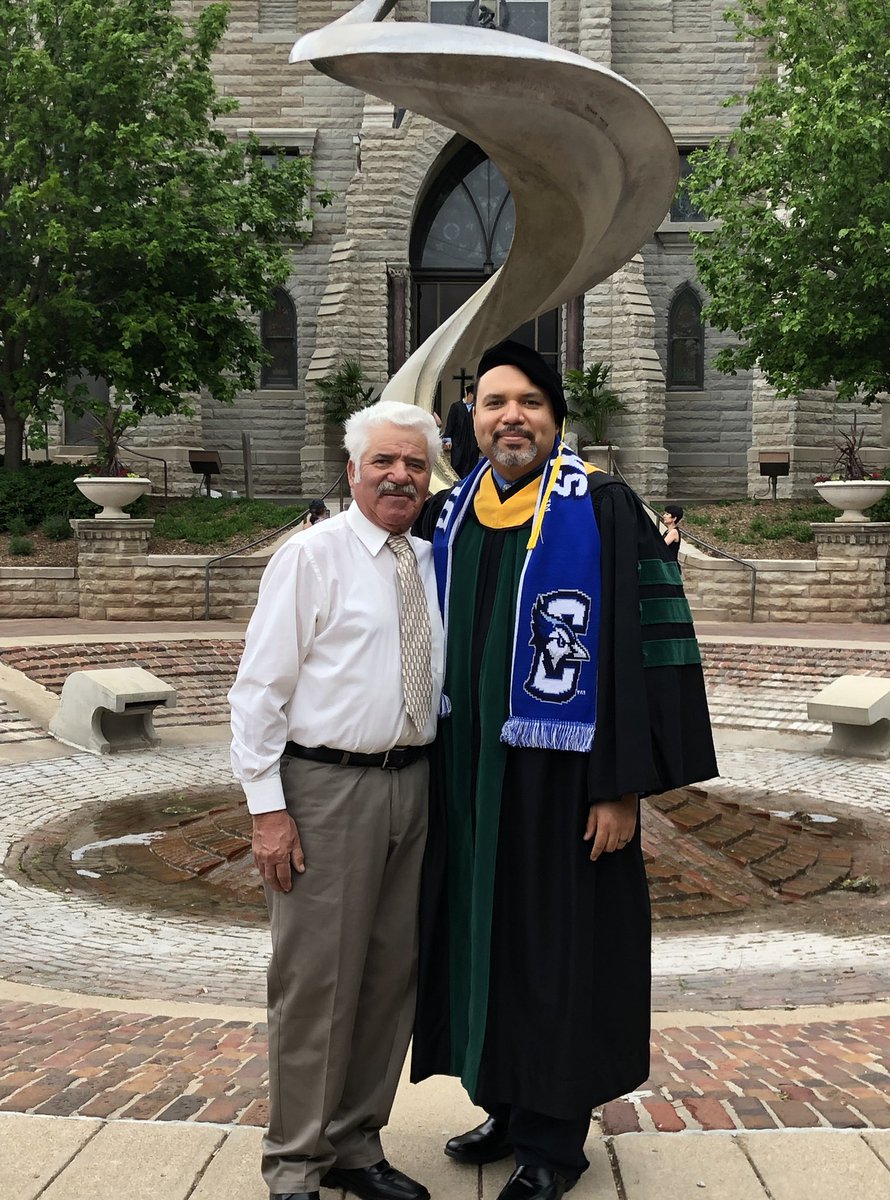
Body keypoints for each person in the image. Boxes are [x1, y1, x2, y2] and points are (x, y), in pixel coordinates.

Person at [411, 342, 717, 1200]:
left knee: (557, 952)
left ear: (556, 419)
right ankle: (503, 1100)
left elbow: (644, 655)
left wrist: (620, 786)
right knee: (487, 946)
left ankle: (554, 1143)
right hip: (465, 782)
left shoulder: (606, 510)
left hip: (563, 787)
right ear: (471, 421)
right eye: (495, 402)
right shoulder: (450, 516)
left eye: (531, 403)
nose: (513, 416)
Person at [229, 400, 445, 1200]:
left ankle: (357, 1146)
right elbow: (258, 691)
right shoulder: (311, 557)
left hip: (415, 785)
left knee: (390, 978)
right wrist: (267, 809)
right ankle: (294, 1167)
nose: (399, 476)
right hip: (324, 788)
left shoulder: (429, 560)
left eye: (415, 465)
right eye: (384, 462)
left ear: (430, 476)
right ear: (352, 470)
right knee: (317, 984)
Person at [441, 383, 481, 478]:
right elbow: (450, 424)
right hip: (458, 443)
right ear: (470, 394)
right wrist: (448, 439)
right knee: (457, 464)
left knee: (472, 466)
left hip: (472, 443)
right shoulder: (456, 407)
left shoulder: (477, 409)